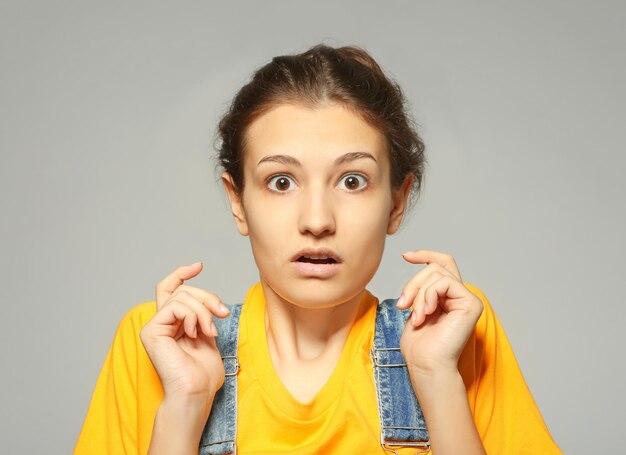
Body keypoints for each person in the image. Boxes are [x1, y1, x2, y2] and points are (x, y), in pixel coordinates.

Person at [73, 44, 562, 454]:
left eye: (352, 181)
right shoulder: (158, 343)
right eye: (281, 181)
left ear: (396, 202)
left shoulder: (457, 333)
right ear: (237, 201)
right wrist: (186, 402)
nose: (316, 221)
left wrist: (437, 379)